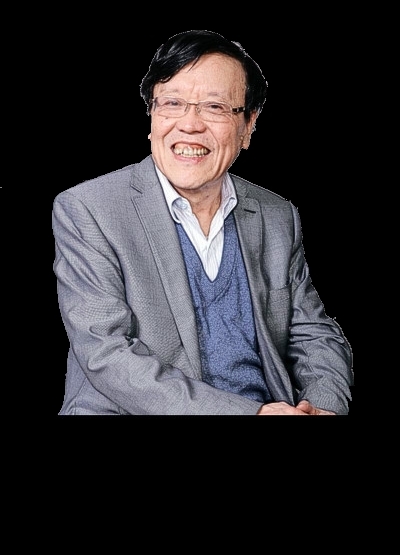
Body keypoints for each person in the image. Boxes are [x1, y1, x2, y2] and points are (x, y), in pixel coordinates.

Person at [53, 29, 353, 415]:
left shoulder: (276, 215)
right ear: (152, 116)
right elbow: (106, 354)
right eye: (172, 103)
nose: (189, 125)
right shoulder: (89, 209)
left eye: (214, 107)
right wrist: (249, 414)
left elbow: (313, 332)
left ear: (249, 125)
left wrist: (324, 406)